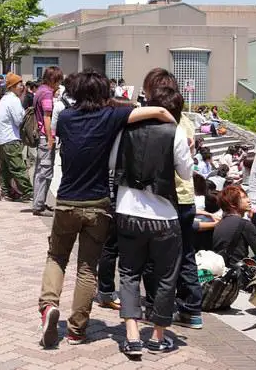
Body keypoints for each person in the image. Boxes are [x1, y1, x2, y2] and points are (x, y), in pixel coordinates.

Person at [37, 70, 176, 349]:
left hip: (66, 200)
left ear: (74, 91)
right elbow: (158, 110)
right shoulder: (111, 116)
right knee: (87, 268)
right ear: (104, 92)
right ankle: (77, 330)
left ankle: (49, 306)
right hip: (98, 203)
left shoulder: (64, 118)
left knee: (56, 257)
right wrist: (177, 128)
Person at [114, 86, 194, 357]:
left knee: (128, 273)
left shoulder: (125, 129)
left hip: (127, 209)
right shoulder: (176, 133)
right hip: (164, 215)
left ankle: (132, 335)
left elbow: (113, 164)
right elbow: (185, 173)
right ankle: (158, 337)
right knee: (165, 276)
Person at [0, 74, 31, 202]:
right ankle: (28, 192)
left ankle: (5, 192)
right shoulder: (13, 100)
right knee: (18, 167)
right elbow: (19, 120)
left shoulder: (5, 98)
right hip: (10, 138)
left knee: (5, 168)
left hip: (0, 139)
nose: (22, 87)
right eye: (20, 84)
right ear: (13, 86)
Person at [31, 67, 62, 216]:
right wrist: (50, 137)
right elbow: (47, 116)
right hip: (45, 136)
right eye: (58, 80)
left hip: (41, 135)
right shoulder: (47, 93)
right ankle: (39, 205)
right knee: (45, 172)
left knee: (39, 171)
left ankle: (39, 202)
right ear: (53, 79)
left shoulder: (40, 90)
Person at [212, 185, 256, 267]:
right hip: (239, 272)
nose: (248, 200)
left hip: (224, 270)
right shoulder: (244, 224)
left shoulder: (219, 224)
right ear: (232, 204)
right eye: (244, 197)